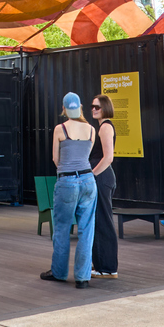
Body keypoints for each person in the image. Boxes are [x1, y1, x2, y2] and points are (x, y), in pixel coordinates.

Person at [41, 92, 97, 289]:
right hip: (89, 180)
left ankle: (59, 272)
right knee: (87, 229)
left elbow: (56, 159)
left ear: (64, 109)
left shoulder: (60, 129)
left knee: (63, 228)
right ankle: (82, 278)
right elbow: (86, 156)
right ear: (81, 107)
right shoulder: (91, 129)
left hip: (67, 181)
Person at [90, 94, 118, 279]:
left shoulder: (105, 127)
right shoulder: (101, 127)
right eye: (92, 106)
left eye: (97, 107)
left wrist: (92, 175)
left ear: (105, 108)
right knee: (99, 220)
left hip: (101, 177)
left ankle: (107, 267)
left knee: (102, 220)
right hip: (102, 177)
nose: (93, 109)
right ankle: (101, 264)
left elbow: (108, 157)